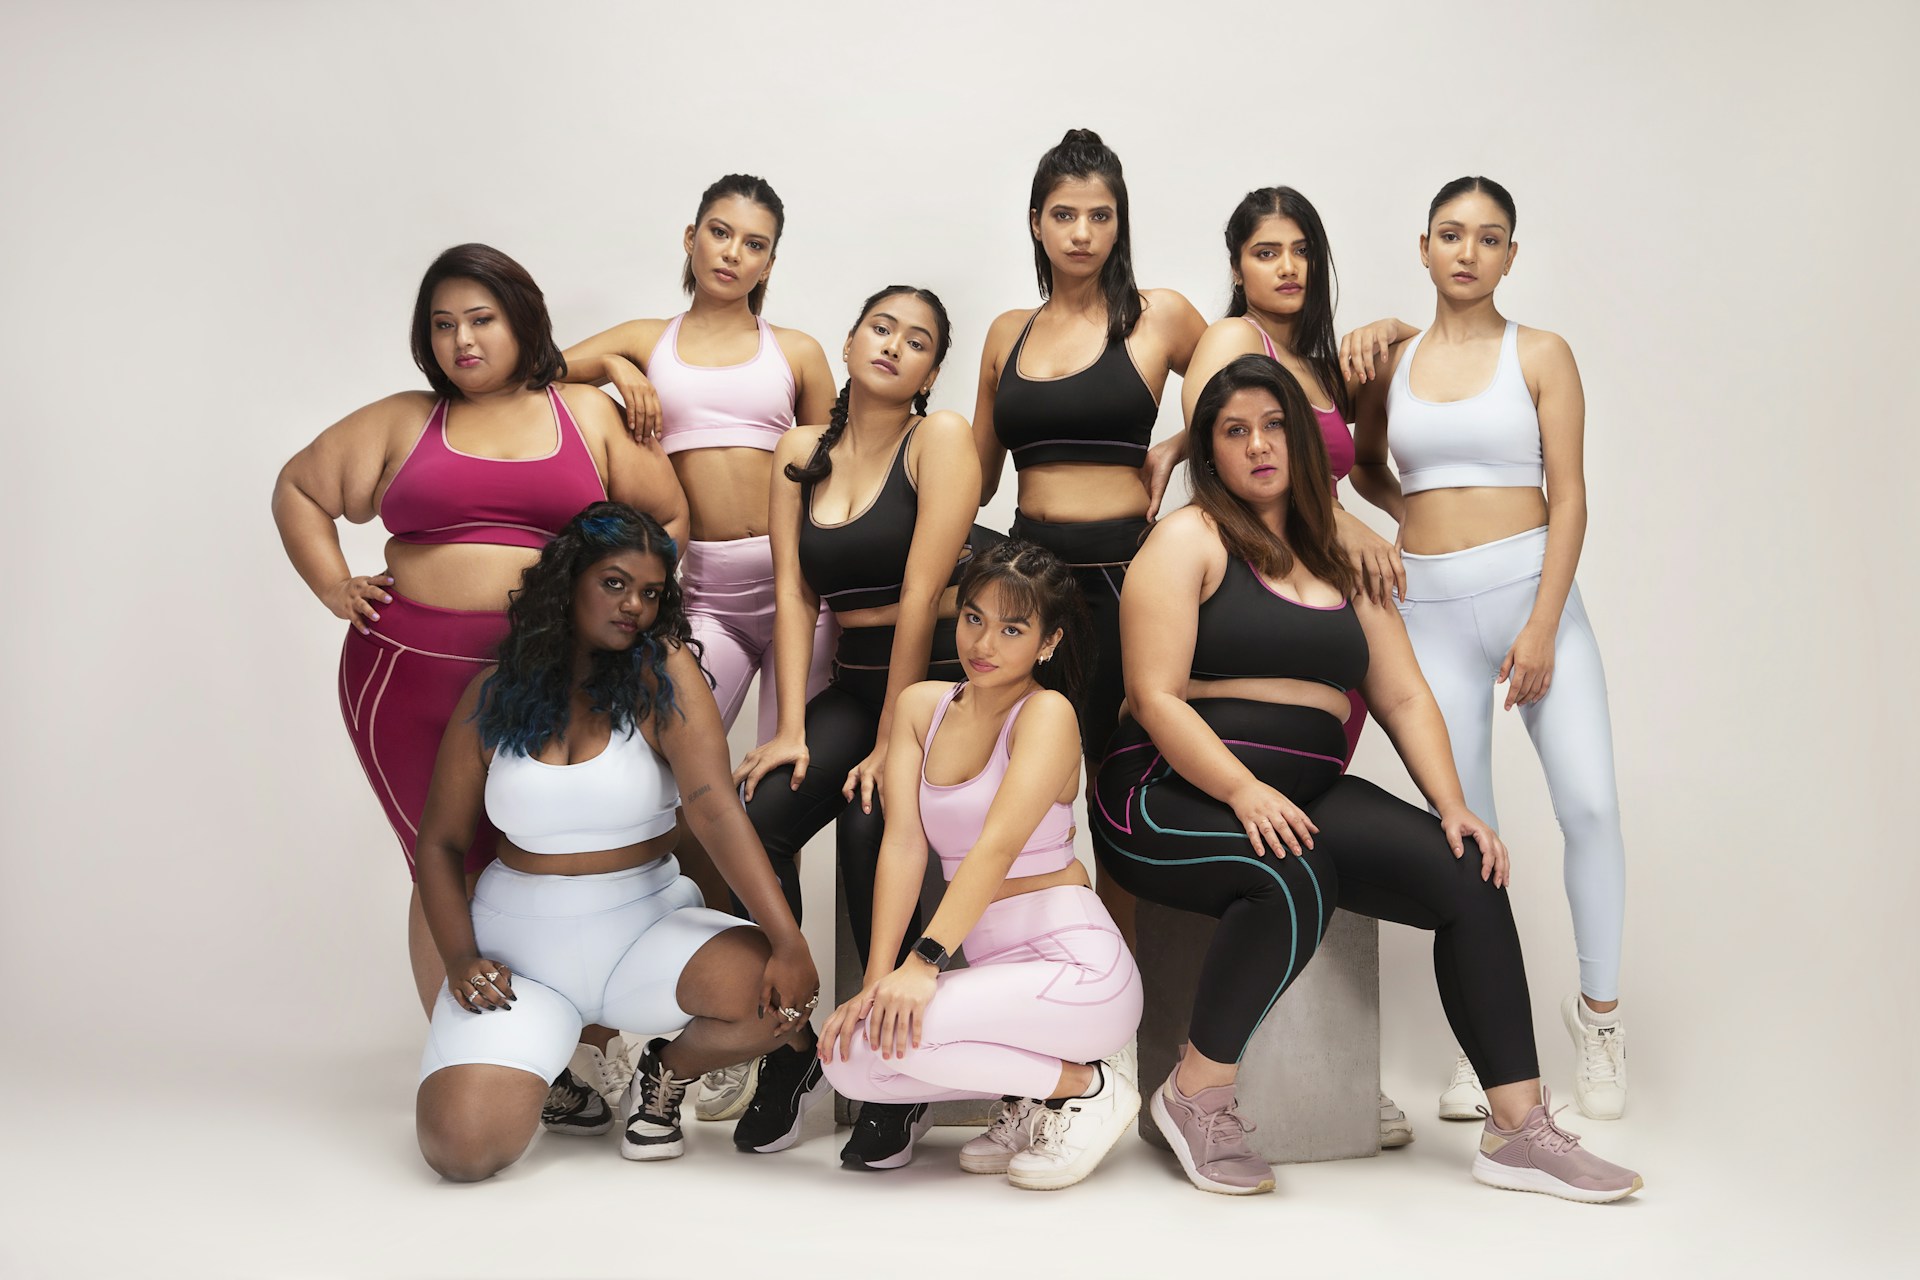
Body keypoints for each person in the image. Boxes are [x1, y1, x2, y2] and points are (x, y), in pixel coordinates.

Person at [1092, 355, 1641, 1203]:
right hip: (1167, 788)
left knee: (1469, 869)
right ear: (1210, 451)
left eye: (1274, 426)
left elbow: (1405, 696)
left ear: (1302, 445)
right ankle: (1195, 1094)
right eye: (1234, 431)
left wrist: (1452, 805)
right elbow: (1153, 696)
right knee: (1293, 876)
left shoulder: (1346, 562)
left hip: (1302, 792)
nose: (1258, 445)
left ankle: (1516, 1128)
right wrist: (1241, 789)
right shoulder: (1187, 539)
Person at [271, 244, 688, 1123]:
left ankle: (561, 1048)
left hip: (554, 678)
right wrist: (331, 584)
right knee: (447, 864)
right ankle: (475, 1049)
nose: (462, 339)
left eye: (482, 319)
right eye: (443, 324)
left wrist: (630, 624)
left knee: (535, 864)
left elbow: (666, 520)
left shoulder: (583, 413)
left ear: (523, 320)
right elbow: (301, 488)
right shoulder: (402, 419)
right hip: (411, 678)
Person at [411, 503, 817, 1181]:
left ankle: (664, 1071)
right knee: (461, 1152)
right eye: (615, 584)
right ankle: (559, 1088)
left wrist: (788, 940)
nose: (635, 606)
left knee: (788, 1001)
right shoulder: (493, 693)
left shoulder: (661, 674)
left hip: (643, 930)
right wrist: (460, 959)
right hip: (520, 949)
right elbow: (441, 845)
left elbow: (714, 808)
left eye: (652, 592)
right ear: (570, 582)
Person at [559, 173, 838, 1121]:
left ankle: (785, 1035)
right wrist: (615, 375)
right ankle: (733, 1001)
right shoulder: (649, 341)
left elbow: (848, 467)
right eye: (718, 233)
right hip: (697, 596)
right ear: (690, 237)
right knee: (685, 793)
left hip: (800, 591)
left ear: (771, 260)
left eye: (753, 242)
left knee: (788, 795)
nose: (732, 253)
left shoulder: (794, 352)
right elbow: (539, 369)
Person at [1353, 176, 1632, 1122]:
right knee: (1469, 839)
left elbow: (1572, 494)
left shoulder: (1543, 354)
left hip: (1531, 597)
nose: (1468, 251)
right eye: (1451, 234)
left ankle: (1599, 1017)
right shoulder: (1392, 360)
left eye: (1490, 237)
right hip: (1429, 609)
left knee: (1589, 805)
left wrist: (1545, 621)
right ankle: (1493, 1042)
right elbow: (1361, 462)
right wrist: (1412, 523)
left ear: (1512, 255)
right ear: (1424, 247)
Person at [1176, 184, 1419, 1146]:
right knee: (1275, 816)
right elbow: (1212, 450)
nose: (1285, 266)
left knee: (1317, 805)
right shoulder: (1235, 341)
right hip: (1263, 598)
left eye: (1299, 250)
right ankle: (1234, 1070)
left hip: (1331, 611)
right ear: (1236, 265)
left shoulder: (1321, 362)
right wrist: (1344, 521)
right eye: (1265, 250)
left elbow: (1367, 465)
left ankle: (1335, 1069)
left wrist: (1397, 333)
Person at [727, 284, 991, 1155]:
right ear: (849, 340)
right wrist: (796, 728)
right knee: (756, 822)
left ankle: (895, 1072)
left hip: (939, 686)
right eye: (882, 327)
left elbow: (920, 597)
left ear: (930, 371)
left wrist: (889, 745)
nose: (894, 345)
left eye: (917, 340)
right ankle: (794, 1041)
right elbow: (796, 591)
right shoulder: (801, 450)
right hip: (851, 680)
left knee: (872, 820)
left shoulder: (940, 440)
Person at [818, 542, 1141, 1186]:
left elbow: (994, 848)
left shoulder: (1047, 714)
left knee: (882, 1040)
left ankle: (1088, 1086)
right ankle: (1037, 1094)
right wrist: (879, 979)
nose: (984, 642)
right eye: (974, 618)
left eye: (1013, 628)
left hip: (1078, 974)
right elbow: (904, 843)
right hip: (1004, 977)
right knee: (852, 1060)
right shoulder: (920, 707)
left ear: (1047, 644)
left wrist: (925, 961)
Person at [972, 128, 1207, 947]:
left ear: (1120, 224)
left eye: (1099, 216)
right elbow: (972, 473)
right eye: (1064, 214)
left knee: (1110, 784)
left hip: (1122, 578)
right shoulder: (1007, 333)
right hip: (1027, 580)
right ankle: (1033, 975)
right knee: (1017, 785)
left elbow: (1251, 386)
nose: (1081, 233)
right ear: (1036, 222)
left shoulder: (1160, 316)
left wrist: (1181, 440)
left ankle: (1110, 1011)